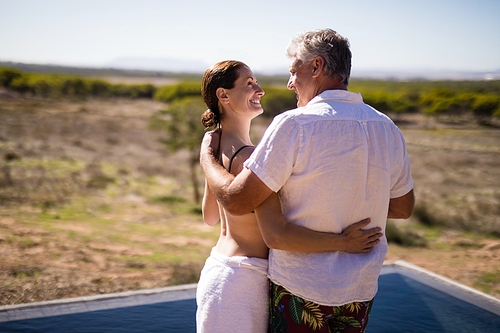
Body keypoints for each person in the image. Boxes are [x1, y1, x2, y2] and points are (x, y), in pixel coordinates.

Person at [200, 30, 415, 333]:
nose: (290, 83)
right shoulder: (387, 127)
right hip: (360, 290)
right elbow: (403, 207)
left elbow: (238, 201)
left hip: (302, 288)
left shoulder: (294, 124)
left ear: (316, 67)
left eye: (293, 71)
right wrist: (348, 199)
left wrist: (206, 157)